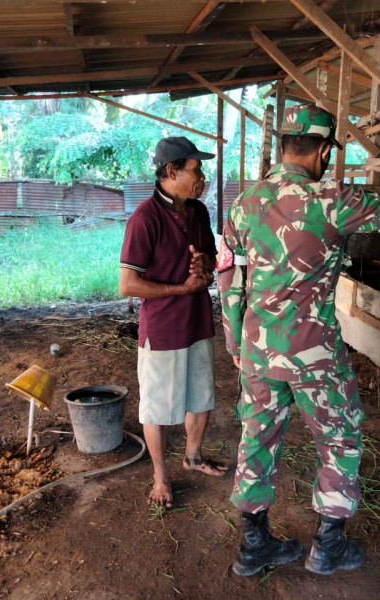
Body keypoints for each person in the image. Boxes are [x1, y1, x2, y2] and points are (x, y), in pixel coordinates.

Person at [217, 104, 380, 576]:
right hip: (314, 353)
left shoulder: (243, 202)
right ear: (324, 150)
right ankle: (327, 545)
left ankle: (253, 546)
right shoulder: (331, 200)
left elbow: (229, 276)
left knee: (256, 437)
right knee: (339, 435)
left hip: (257, 350)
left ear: (285, 144)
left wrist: (234, 344)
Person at [119, 136, 228, 509]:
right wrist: (183, 288)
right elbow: (127, 284)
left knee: (201, 395)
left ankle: (194, 457)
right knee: (156, 406)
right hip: (163, 330)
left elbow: (212, 260)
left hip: (197, 323)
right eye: (196, 169)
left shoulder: (198, 212)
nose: (203, 177)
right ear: (171, 171)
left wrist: (204, 269)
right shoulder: (144, 219)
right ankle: (160, 475)